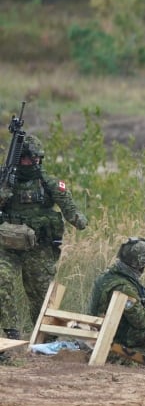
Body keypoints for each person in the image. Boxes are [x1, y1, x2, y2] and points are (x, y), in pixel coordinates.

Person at [0, 134, 87, 341]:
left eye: (39, 159)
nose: (35, 163)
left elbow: (72, 212)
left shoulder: (49, 183)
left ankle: (47, 340)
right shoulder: (4, 181)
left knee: (42, 296)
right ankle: (11, 334)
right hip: (7, 247)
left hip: (38, 249)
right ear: (20, 159)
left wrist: (79, 219)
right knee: (2, 280)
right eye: (31, 159)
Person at [88, 237, 145, 365]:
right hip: (116, 349)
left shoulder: (106, 277)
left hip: (100, 340)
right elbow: (141, 320)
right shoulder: (124, 287)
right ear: (141, 263)